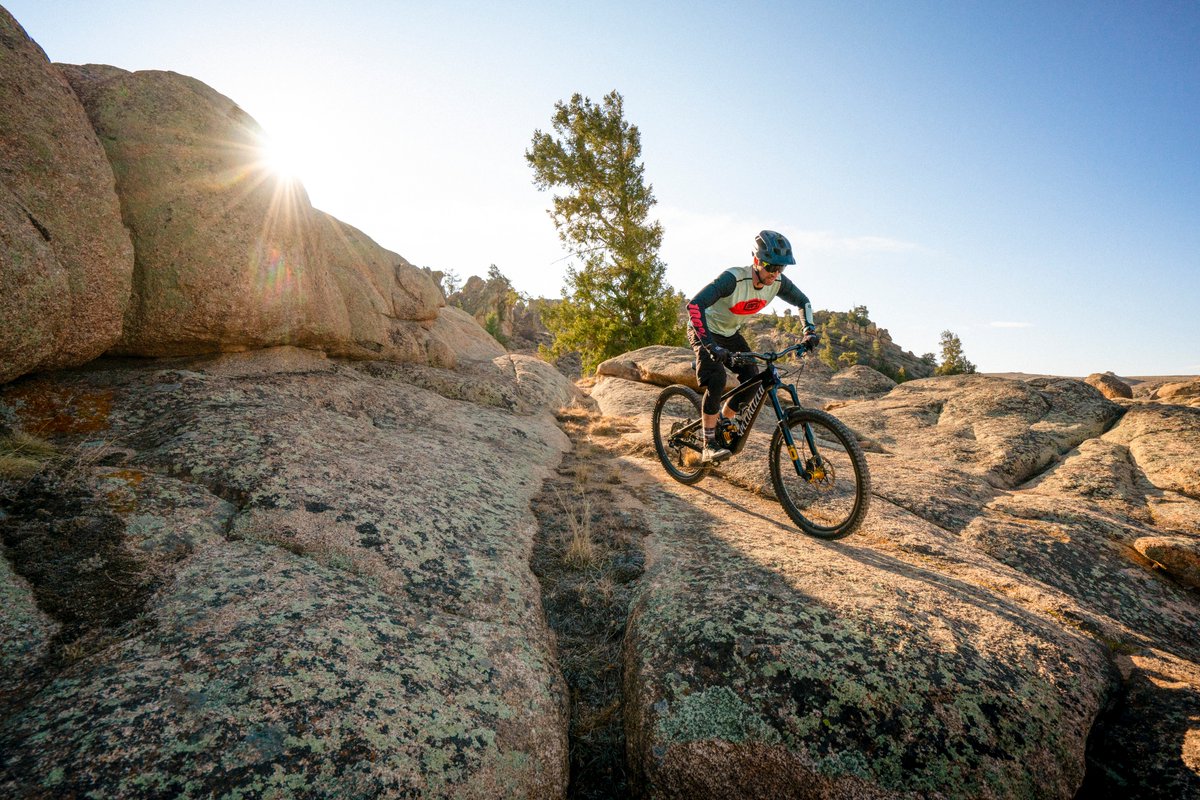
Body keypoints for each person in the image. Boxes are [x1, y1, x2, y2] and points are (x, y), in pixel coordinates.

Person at [686, 230, 819, 463]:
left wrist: (809, 331)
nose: (775, 273)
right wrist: (709, 346)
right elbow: (695, 305)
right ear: (756, 260)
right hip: (705, 330)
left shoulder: (777, 282)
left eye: (781, 268)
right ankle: (709, 444)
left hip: (729, 333)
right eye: (771, 267)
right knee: (717, 378)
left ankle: (722, 423)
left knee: (752, 379)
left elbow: (803, 301)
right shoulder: (734, 279)